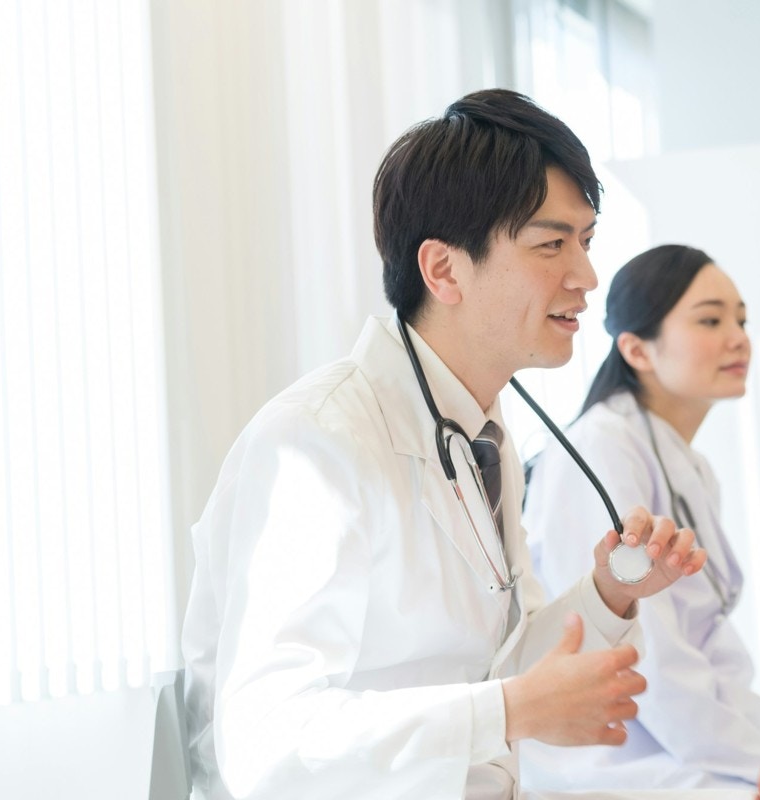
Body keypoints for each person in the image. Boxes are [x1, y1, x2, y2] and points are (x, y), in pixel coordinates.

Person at [180, 89, 716, 800]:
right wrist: (510, 712)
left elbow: (497, 671)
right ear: (443, 270)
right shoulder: (315, 445)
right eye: (551, 244)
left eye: (585, 242)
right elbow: (268, 743)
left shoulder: (483, 436)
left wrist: (608, 594)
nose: (586, 277)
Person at [521, 244, 760, 793]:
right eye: (710, 320)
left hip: (679, 740)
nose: (738, 338)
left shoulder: (692, 467)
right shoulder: (602, 446)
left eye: (741, 320)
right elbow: (650, 659)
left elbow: (711, 652)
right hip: (613, 754)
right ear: (636, 349)